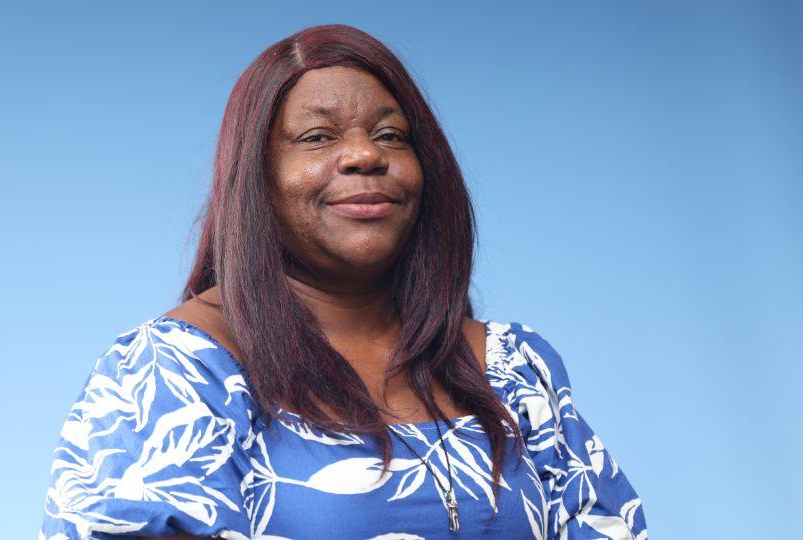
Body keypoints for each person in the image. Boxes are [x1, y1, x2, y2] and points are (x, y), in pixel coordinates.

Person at [39, 23, 648, 540]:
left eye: (390, 135)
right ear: (257, 181)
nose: (364, 156)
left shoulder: (513, 367)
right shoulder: (175, 369)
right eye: (318, 137)